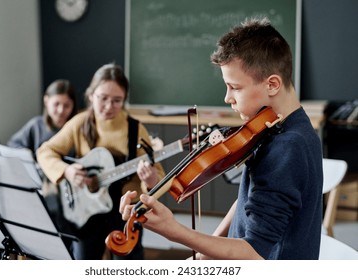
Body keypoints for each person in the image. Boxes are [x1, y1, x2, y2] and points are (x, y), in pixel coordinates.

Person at [119, 17, 323, 260]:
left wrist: (175, 231)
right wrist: (202, 258)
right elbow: (246, 202)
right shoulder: (276, 127)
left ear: (272, 84)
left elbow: (254, 254)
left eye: (234, 87)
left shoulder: (289, 147)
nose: (227, 98)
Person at [36, 63, 165, 260]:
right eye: (102, 98)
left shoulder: (135, 129)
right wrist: (67, 171)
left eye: (116, 101)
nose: (108, 107)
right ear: (90, 95)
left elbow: (159, 175)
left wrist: (151, 181)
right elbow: (45, 151)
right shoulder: (80, 123)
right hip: (87, 211)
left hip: (125, 214)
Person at [7, 79, 78, 241]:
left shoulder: (76, 127)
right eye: (56, 104)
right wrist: (29, 156)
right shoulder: (36, 125)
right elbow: (13, 145)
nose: (61, 110)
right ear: (46, 101)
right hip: (41, 187)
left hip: (71, 190)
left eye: (67, 105)